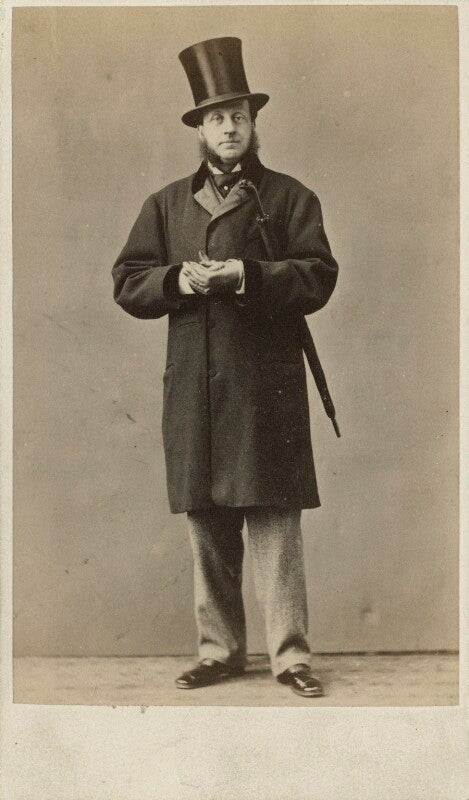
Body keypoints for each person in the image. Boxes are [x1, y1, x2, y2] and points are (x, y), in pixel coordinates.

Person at [112, 37, 338, 698]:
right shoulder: (164, 205)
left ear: (253, 121)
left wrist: (246, 273)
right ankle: (218, 652)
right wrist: (178, 279)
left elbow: (318, 275)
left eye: (239, 115)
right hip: (195, 390)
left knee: (274, 523)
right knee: (206, 524)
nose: (230, 127)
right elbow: (128, 281)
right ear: (200, 129)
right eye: (216, 118)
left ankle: (290, 658)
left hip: (265, 389)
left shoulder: (290, 198)